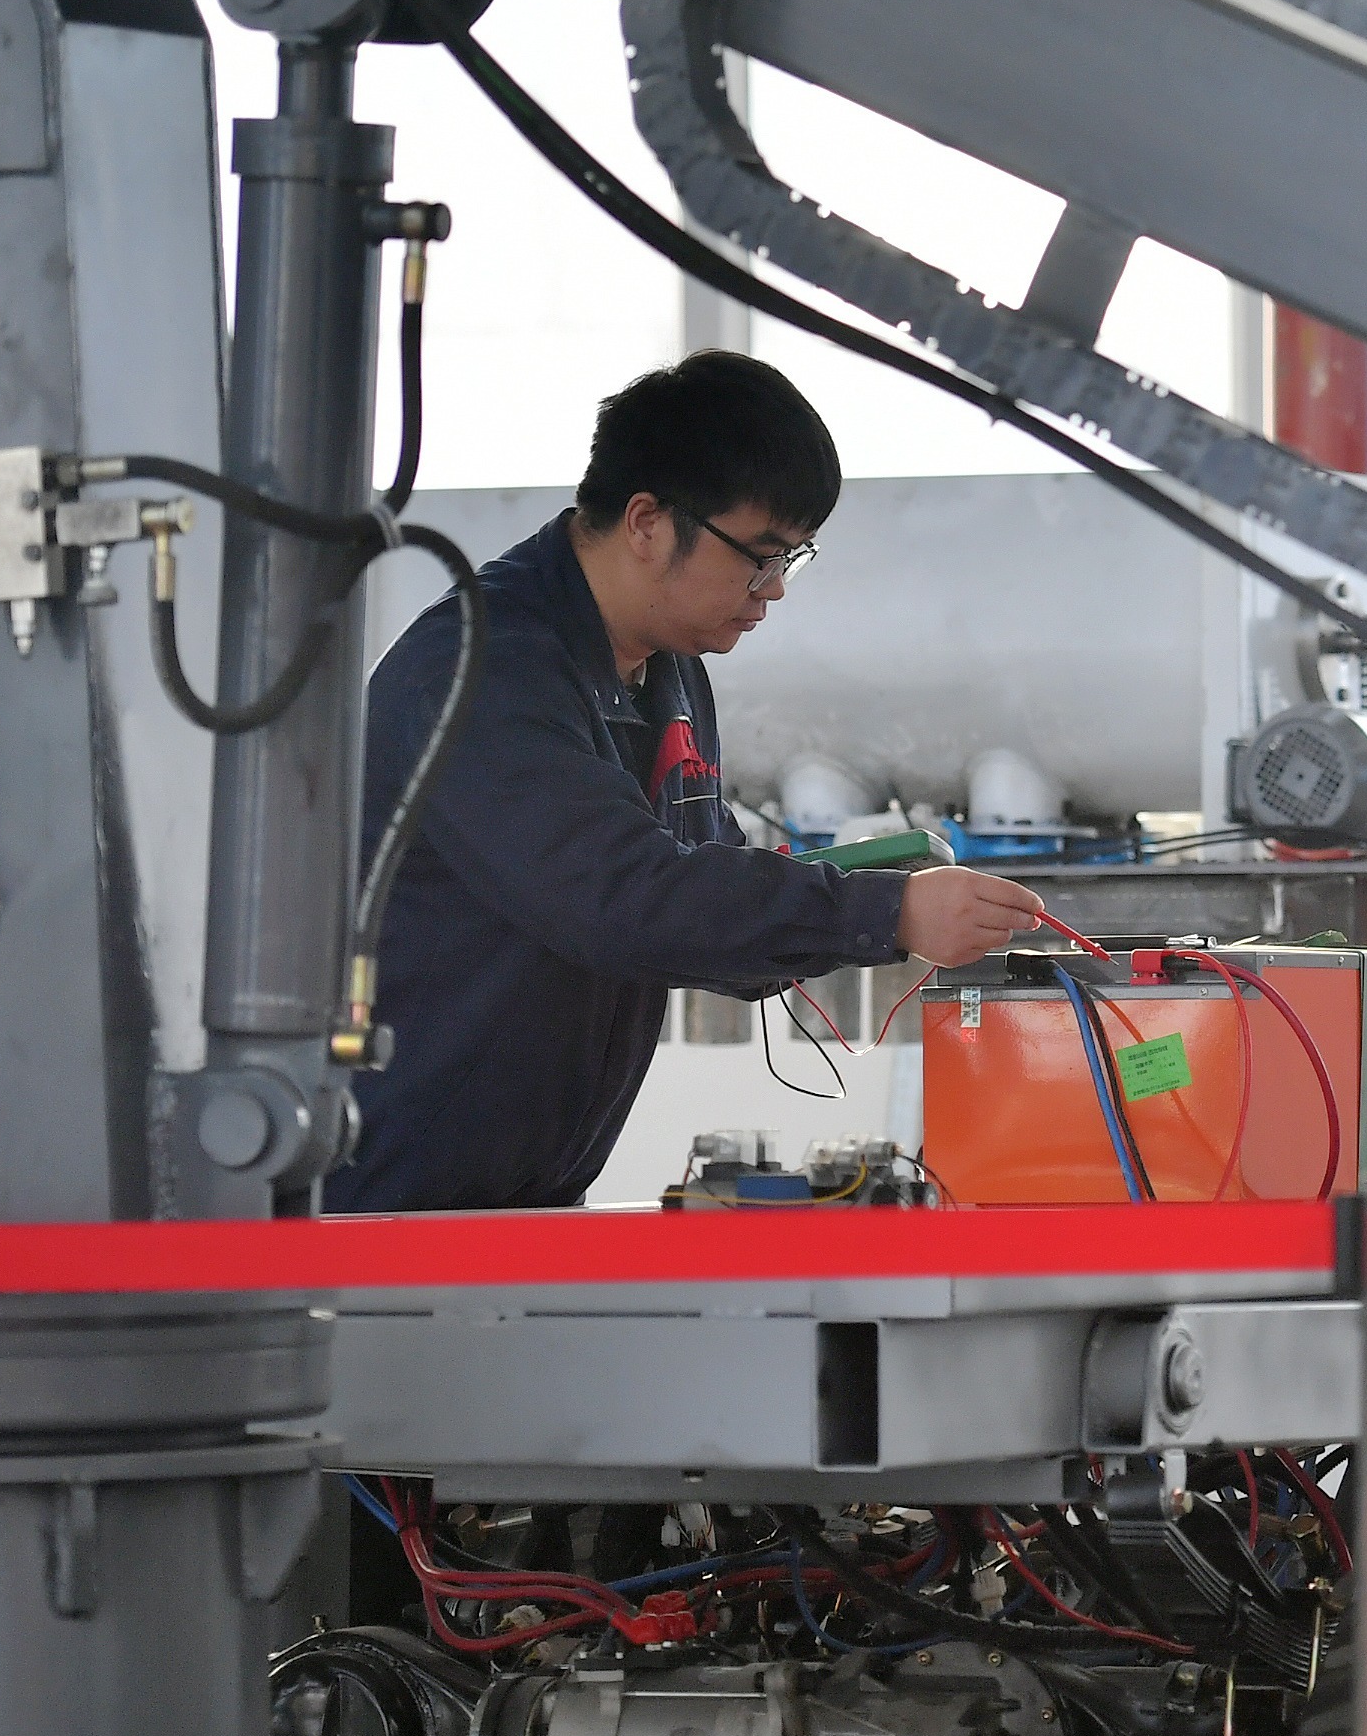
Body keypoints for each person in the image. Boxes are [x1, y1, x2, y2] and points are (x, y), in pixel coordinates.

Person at [340, 352, 1045, 1210]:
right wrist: (888, 913)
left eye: (793, 558)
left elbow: (700, 901)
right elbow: (624, 900)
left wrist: (858, 896)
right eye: (760, 556)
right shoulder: (480, 673)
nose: (774, 590)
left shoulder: (668, 671)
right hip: (382, 1204)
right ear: (647, 521)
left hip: (524, 1198)